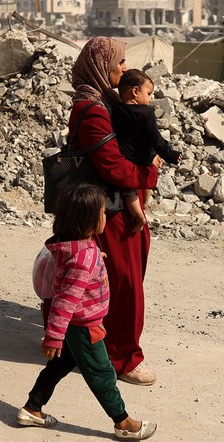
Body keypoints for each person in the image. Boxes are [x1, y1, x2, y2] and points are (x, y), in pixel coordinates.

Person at [18, 183, 158, 440]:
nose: (106, 217)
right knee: (102, 374)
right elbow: (64, 302)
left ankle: (32, 408)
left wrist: (95, 255)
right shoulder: (82, 260)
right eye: (103, 214)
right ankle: (123, 422)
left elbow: (78, 266)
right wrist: (53, 336)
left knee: (57, 367)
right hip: (83, 326)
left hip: (78, 325)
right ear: (89, 222)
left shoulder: (79, 247)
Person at [69, 36, 159, 386]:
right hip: (109, 209)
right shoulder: (92, 110)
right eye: (119, 63)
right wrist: (148, 170)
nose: (125, 69)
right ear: (102, 66)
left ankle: (86, 342)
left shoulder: (105, 102)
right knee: (124, 284)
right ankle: (123, 358)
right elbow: (113, 167)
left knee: (103, 281)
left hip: (115, 204)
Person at [112, 69, 182, 233]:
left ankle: (138, 212)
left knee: (128, 191)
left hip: (124, 159)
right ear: (135, 91)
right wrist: (170, 154)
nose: (150, 99)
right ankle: (141, 213)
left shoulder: (116, 109)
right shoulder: (146, 112)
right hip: (143, 160)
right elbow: (155, 138)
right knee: (143, 188)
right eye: (148, 93)